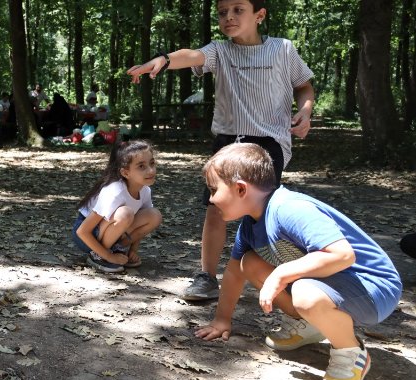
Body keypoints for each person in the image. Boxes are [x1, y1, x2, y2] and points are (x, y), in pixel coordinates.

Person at [127, 0, 314, 302]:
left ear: (259, 15)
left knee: (264, 212)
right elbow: (191, 56)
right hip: (228, 140)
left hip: (268, 143)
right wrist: (162, 59)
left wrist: (305, 111)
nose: (229, 17)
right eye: (222, 12)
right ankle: (206, 277)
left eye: (238, 10)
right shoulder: (220, 50)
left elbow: (304, 85)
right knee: (216, 208)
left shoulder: (283, 49)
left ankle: (280, 277)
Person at [194, 143, 401, 380]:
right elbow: (234, 272)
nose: (212, 198)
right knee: (249, 261)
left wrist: (282, 273)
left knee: (304, 292)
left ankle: (350, 350)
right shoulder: (250, 225)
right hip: (334, 285)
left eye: (214, 189)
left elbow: (343, 255)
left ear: (240, 188)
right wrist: (221, 320)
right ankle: (311, 324)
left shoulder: (289, 209)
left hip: (373, 288)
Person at [71, 141, 163, 272]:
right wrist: (108, 256)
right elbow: (82, 231)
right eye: (141, 166)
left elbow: (141, 222)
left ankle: (119, 249)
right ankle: (98, 256)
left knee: (154, 215)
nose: (151, 170)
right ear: (125, 173)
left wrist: (133, 250)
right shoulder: (114, 191)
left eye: (152, 163)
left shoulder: (145, 190)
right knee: (125, 213)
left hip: (112, 231)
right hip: (88, 236)